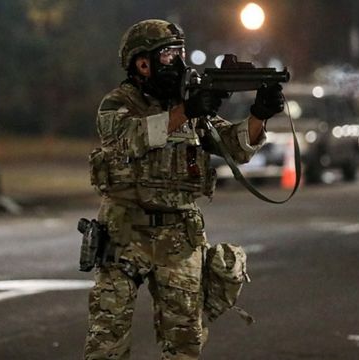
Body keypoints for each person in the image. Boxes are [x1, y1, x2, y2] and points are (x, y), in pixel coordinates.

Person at [83, 19, 284, 359]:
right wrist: (185, 111)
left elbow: (234, 147)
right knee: (107, 340)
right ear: (142, 63)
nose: (177, 63)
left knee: (185, 342)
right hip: (124, 235)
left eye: (180, 53)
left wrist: (258, 116)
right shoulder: (119, 102)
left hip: (179, 237)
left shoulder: (190, 106)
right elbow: (127, 138)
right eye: (167, 55)